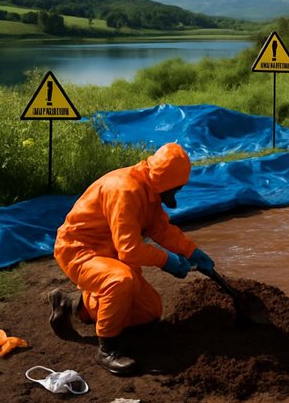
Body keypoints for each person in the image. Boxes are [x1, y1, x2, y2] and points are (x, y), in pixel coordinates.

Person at [49, 142, 216, 376]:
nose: (177, 194)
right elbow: (129, 250)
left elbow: (160, 229)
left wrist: (191, 251)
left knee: (149, 312)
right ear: (166, 183)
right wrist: (167, 261)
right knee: (120, 280)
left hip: (109, 251)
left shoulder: (150, 190)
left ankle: (76, 305)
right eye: (177, 188)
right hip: (79, 250)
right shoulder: (124, 190)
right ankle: (107, 350)